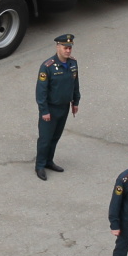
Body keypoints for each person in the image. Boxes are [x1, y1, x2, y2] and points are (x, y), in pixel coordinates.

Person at [34, 34, 80, 180]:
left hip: (64, 107)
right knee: (45, 139)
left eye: (70, 48)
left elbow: (75, 84)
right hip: (51, 109)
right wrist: (44, 111)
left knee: (55, 137)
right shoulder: (47, 66)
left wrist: (76, 101)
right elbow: (41, 92)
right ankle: (40, 165)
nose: (68, 51)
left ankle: (49, 161)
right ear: (57, 47)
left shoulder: (73, 63)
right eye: (65, 47)